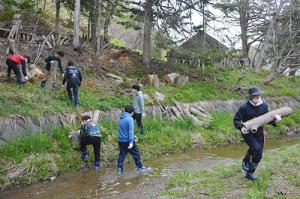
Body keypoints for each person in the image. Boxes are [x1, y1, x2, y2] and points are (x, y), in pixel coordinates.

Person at [233, 86, 281, 181]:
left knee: (259, 154)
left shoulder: (264, 106)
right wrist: (241, 127)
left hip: (259, 132)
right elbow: (236, 120)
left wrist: (275, 120)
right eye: (255, 95)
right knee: (256, 148)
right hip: (247, 132)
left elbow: (267, 119)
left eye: (258, 95)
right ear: (250, 96)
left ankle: (249, 173)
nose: (257, 96)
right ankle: (246, 159)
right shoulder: (244, 107)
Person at [117, 105, 150, 175]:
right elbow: (130, 131)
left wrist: (133, 136)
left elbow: (122, 130)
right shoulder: (130, 119)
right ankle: (140, 168)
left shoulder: (121, 118)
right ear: (132, 112)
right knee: (136, 154)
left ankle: (120, 170)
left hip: (120, 141)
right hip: (128, 141)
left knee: (122, 155)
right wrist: (131, 142)